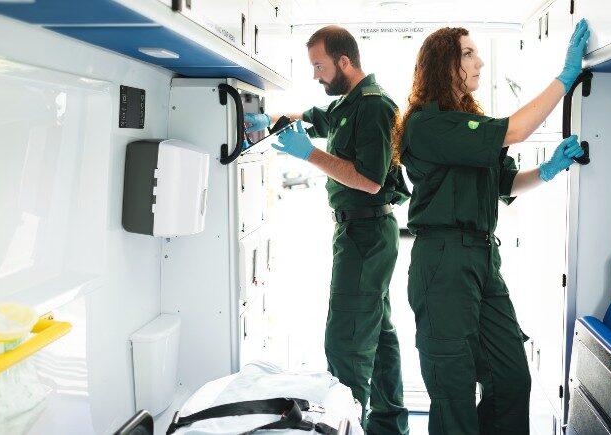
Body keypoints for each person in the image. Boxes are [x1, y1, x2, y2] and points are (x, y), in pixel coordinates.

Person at [390, 21, 590, 434]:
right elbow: (515, 130)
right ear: (443, 65)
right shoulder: (427, 125)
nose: (479, 61)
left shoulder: (469, 124)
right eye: (468, 53)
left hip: (482, 258)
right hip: (443, 263)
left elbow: (506, 184)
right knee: (454, 392)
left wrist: (550, 169)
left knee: (512, 377)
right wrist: (565, 78)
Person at [243, 25, 410, 435]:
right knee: (378, 335)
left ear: (345, 61)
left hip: (366, 235)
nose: (316, 75)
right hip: (363, 233)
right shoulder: (350, 103)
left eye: (319, 66)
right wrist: (273, 120)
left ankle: (345, 427)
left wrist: (309, 154)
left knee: (346, 342)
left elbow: (370, 179)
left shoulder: (372, 106)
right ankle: (388, 427)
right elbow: (316, 119)